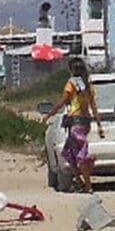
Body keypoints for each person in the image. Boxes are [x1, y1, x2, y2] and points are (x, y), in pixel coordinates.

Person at [41, 58, 103, 192]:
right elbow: (94, 107)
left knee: (80, 155)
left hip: (75, 123)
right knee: (68, 153)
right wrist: (99, 125)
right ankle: (80, 181)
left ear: (71, 70)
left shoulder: (72, 84)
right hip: (85, 123)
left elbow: (61, 102)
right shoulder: (88, 85)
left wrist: (49, 114)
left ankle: (87, 185)